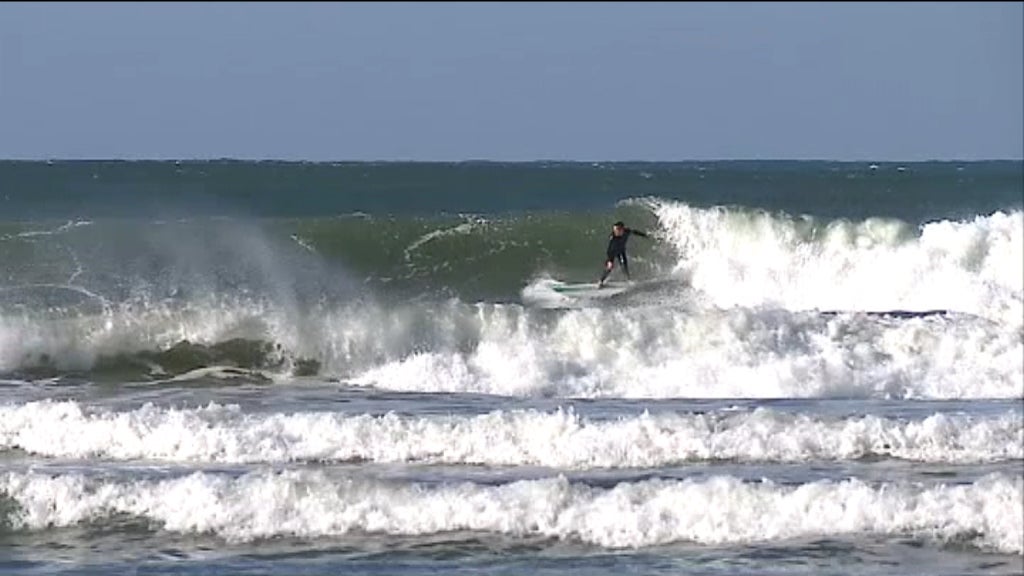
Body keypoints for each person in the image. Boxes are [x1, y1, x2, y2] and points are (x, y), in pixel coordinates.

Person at [598, 221, 649, 287]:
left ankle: (628, 280)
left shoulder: (627, 231)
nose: (616, 231)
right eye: (615, 230)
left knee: (624, 266)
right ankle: (601, 281)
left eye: (617, 229)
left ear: (622, 229)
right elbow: (610, 250)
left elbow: (635, 232)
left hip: (621, 251)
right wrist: (610, 260)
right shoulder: (613, 237)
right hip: (612, 252)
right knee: (609, 267)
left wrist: (645, 235)